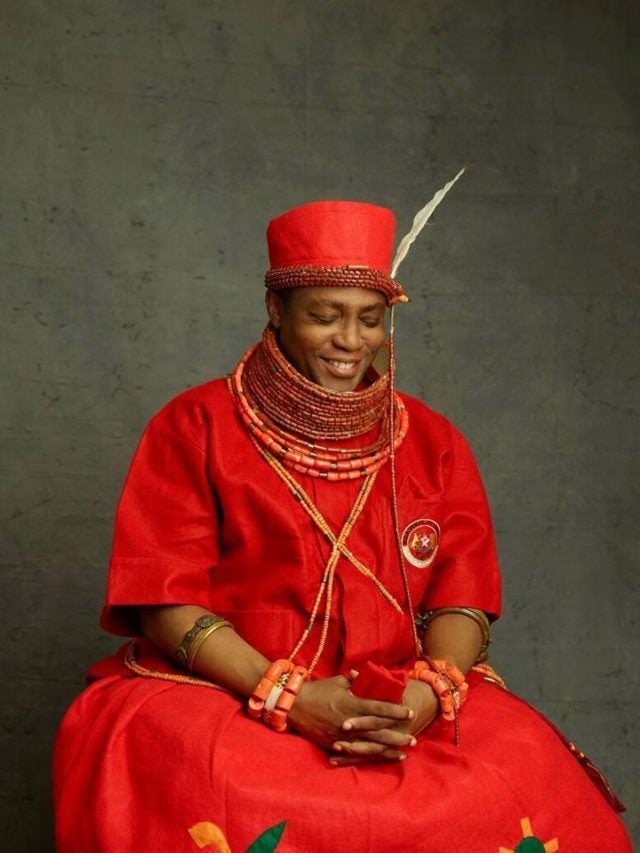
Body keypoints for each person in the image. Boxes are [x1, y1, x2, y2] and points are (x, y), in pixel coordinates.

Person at [53, 192, 632, 852]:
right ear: (276, 309)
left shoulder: (433, 441)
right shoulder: (195, 426)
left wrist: (427, 690)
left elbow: (462, 595)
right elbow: (164, 602)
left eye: (369, 319)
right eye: (324, 317)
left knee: (523, 769)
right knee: (206, 776)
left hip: (399, 699)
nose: (350, 341)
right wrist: (289, 695)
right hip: (227, 690)